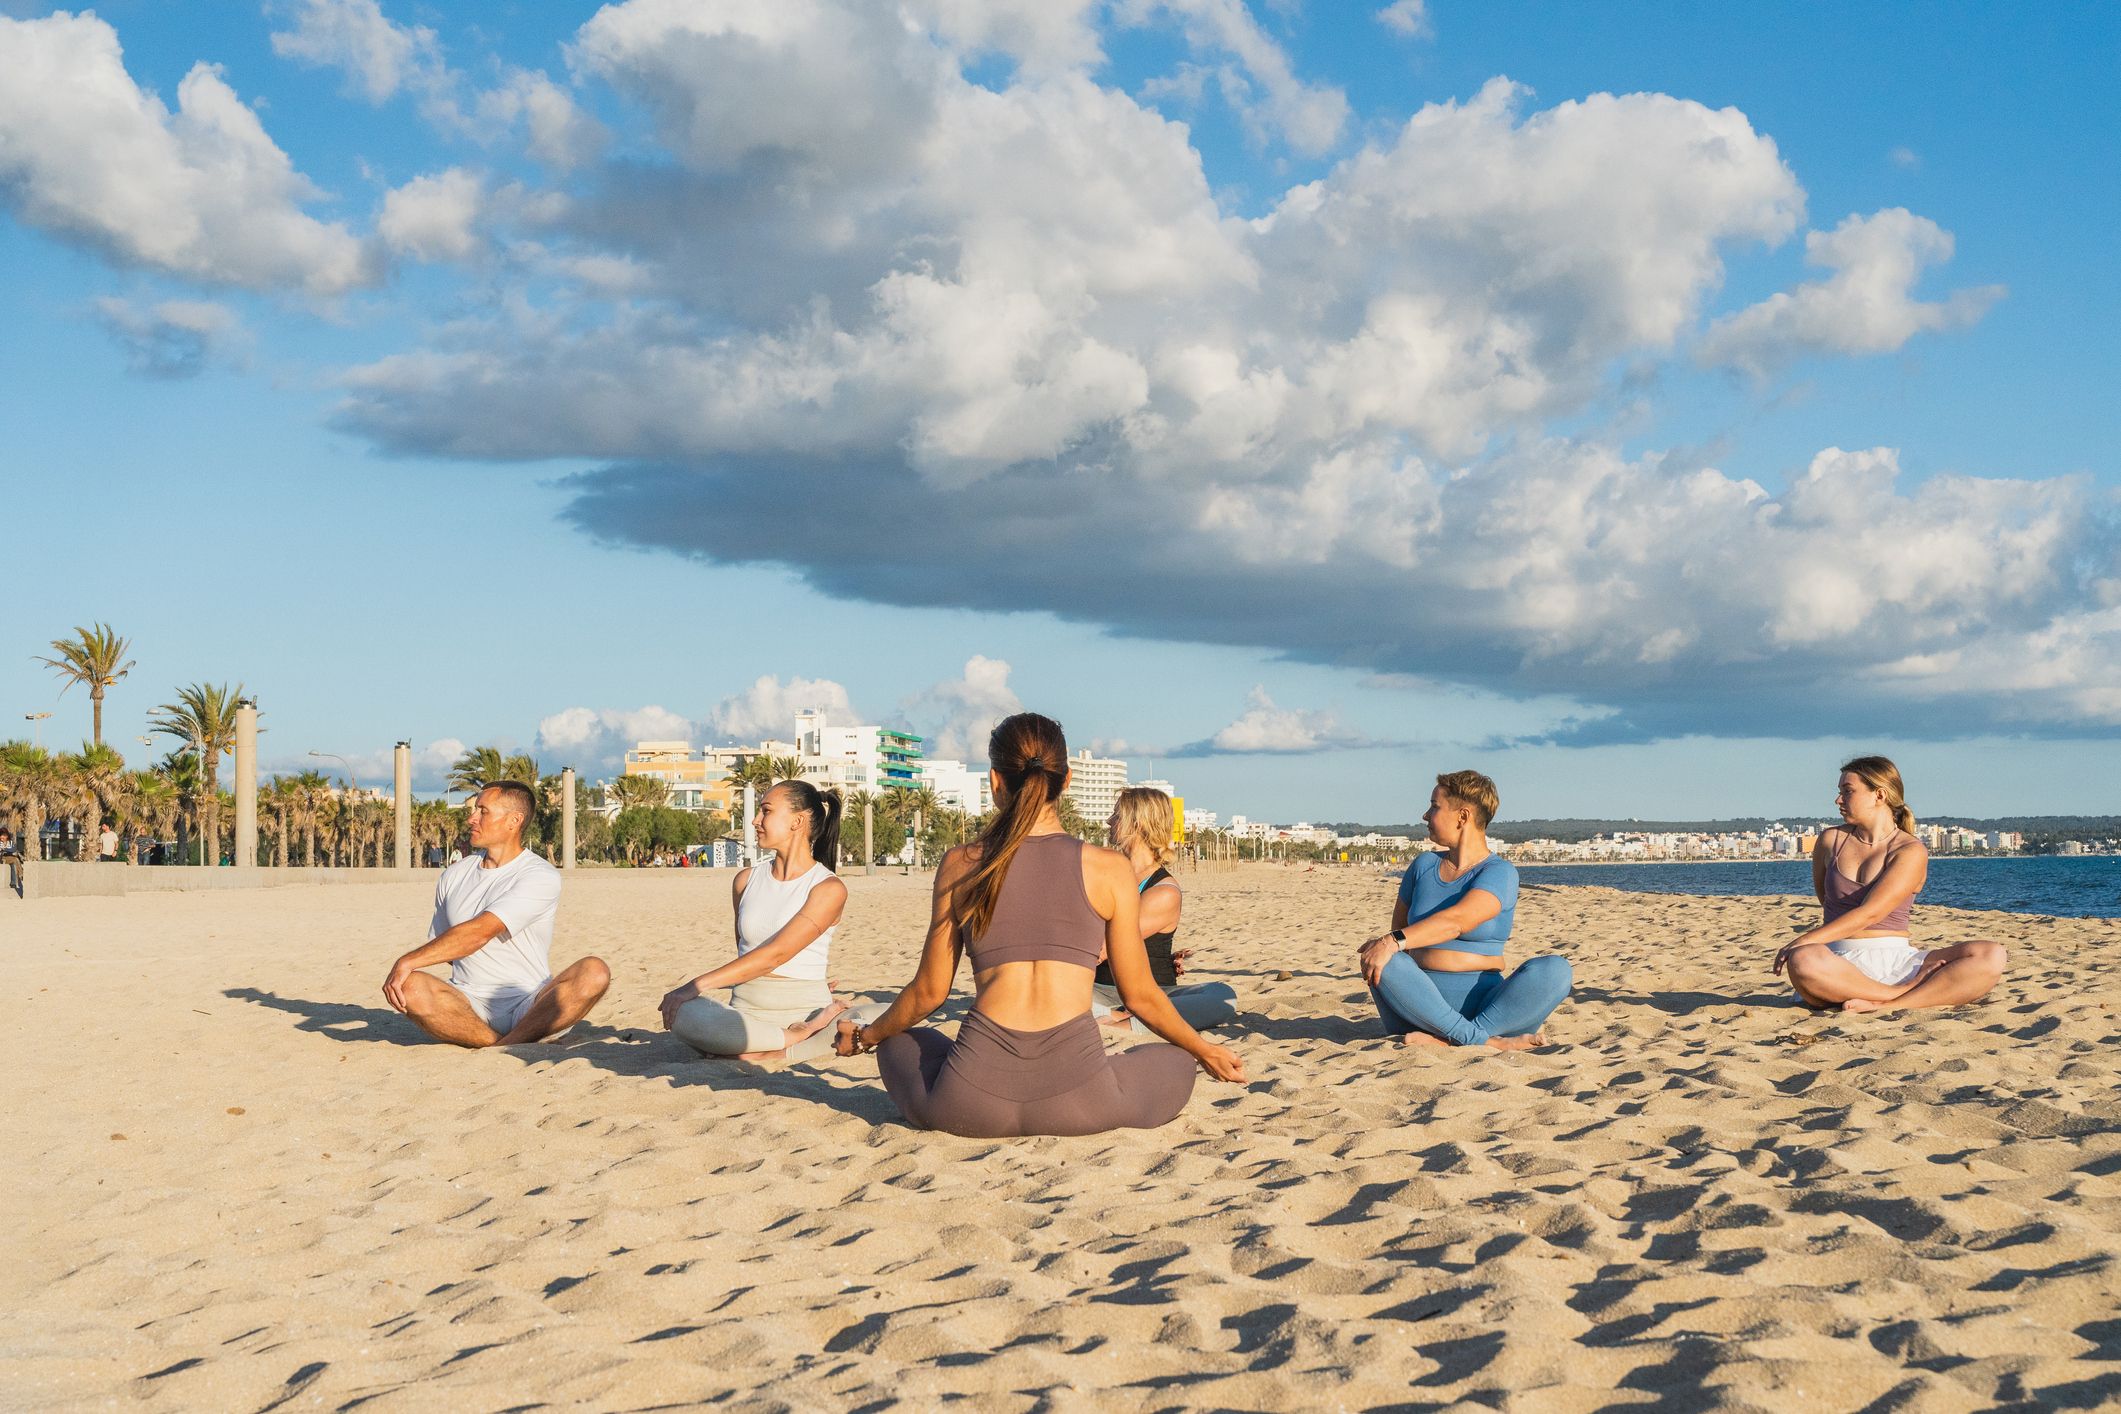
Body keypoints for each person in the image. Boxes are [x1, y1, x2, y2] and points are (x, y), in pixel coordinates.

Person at [835, 712, 1245, 1136]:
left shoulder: (961, 863)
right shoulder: (1109, 868)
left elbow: (929, 992)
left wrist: (866, 1037)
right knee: (1176, 1059)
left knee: (898, 1041)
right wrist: (1204, 1051)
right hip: (1083, 1104)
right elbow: (1140, 995)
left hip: (967, 1105)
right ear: (1066, 781)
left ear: (995, 781)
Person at [382, 781, 610, 1047]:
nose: (472, 818)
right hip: (467, 1002)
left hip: (530, 1003)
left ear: (514, 820)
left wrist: (407, 960)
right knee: (408, 986)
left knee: (595, 972)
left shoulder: (539, 874)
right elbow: (447, 948)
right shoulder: (454, 875)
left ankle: (507, 1042)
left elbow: (481, 931)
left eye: (483, 811)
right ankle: (499, 1044)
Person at [1775, 756, 2007, 1013]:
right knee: (1803, 959)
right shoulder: (1830, 840)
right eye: (1839, 792)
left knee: (1991, 954)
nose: (1838, 800)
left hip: (1898, 961)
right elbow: (1826, 901)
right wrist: (1806, 946)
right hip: (1837, 963)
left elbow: (1871, 913)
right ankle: (1895, 994)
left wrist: (1804, 939)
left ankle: (1890, 1003)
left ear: (1879, 795)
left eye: (1847, 791)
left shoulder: (1909, 850)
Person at [1358, 770, 1571, 1050]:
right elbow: (1401, 936)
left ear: (1462, 816)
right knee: (1383, 956)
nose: (1425, 815)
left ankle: (1458, 1038)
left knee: (1557, 969)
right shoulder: (1423, 866)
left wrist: (1391, 941)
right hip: (1419, 1008)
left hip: (1491, 1011)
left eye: (1434, 806)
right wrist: (1388, 945)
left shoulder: (1500, 872)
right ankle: (1481, 1041)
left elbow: (1459, 921)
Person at [659, 780, 852, 1061]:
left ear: (797, 821)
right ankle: (787, 1042)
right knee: (682, 1014)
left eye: (766, 811)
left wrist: (696, 985)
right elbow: (745, 952)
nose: (755, 820)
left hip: (803, 1010)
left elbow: (776, 955)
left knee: (869, 1019)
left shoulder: (828, 888)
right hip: (746, 1012)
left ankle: (796, 1034)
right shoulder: (745, 880)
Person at [1092, 787, 1237, 1035]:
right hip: (1098, 989)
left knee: (1222, 995)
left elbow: (1101, 949)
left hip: (1154, 994)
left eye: (1116, 815)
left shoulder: (1164, 891)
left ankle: (1128, 1023)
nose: (1109, 821)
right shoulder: (1108, 874)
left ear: (1137, 823)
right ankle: (1117, 1017)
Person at [1, 827, 21, 895]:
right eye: (1, 835)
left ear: (7, 836)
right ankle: (21, 874)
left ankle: (13, 883)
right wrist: (6, 850)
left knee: (14, 863)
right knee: (15, 859)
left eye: (4, 835)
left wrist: (4, 849)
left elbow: (13, 849)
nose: (2, 837)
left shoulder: (11, 842)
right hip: (2, 858)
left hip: (9, 858)